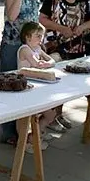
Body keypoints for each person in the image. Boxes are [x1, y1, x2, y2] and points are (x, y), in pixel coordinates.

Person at [39, 0, 90, 132]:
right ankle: (50, 117)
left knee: (67, 84)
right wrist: (62, 29)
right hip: (55, 46)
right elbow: (42, 19)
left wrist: (80, 28)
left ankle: (58, 114)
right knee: (55, 81)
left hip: (76, 47)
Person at [16, 22, 56, 153]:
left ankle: (35, 135)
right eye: (38, 36)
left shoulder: (38, 49)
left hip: (37, 86)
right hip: (25, 87)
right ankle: (26, 141)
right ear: (28, 37)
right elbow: (35, 63)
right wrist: (44, 64)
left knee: (50, 114)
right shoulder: (25, 49)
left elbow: (52, 60)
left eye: (42, 36)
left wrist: (46, 63)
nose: (41, 39)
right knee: (25, 117)